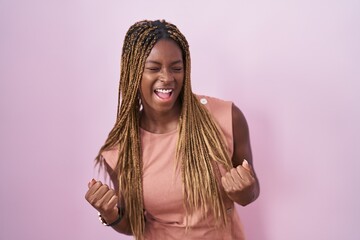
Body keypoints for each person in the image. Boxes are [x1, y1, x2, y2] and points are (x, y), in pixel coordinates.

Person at [85, 19, 260, 240]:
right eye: (153, 68)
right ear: (133, 73)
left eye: (176, 68)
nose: (167, 78)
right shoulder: (121, 149)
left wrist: (245, 190)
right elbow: (133, 224)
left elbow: (250, 193)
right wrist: (110, 214)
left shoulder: (227, 117)